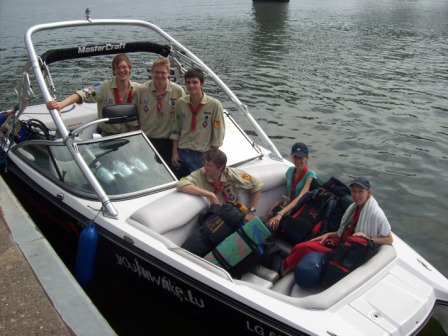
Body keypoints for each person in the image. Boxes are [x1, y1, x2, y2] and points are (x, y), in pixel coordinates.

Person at [281, 176, 393, 275]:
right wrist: (329, 234)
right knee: (304, 244)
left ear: (368, 192)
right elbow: (343, 231)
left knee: (303, 248)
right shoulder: (354, 208)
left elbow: (389, 239)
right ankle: (288, 270)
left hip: (345, 251)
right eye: (354, 191)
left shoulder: (375, 213)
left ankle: (284, 273)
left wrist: (366, 238)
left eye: (360, 192)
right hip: (341, 241)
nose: (356, 195)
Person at [46, 53, 140, 136]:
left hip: (131, 135)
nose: (121, 70)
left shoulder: (138, 89)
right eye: (118, 68)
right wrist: (60, 105)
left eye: (124, 67)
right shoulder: (103, 87)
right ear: (113, 71)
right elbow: (81, 94)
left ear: (130, 69)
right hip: (109, 135)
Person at [177, 149, 262, 223]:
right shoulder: (201, 173)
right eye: (205, 164)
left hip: (233, 214)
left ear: (220, 167)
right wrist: (211, 195)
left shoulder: (231, 174)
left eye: (209, 165)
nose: (205, 167)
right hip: (214, 218)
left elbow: (257, 185)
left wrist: (251, 212)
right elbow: (181, 184)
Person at [170, 68, 225, 176]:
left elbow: (218, 131)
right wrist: (174, 153)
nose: (191, 85)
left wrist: (212, 158)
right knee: (181, 184)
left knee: (200, 186)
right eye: (188, 82)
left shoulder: (214, 105)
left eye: (195, 82)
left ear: (202, 84)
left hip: (201, 155)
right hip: (182, 153)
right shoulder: (181, 103)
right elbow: (177, 127)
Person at [135, 57, 185, 170]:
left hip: (168, 141)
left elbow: (181, 120)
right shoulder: (141, 90)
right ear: (152, 72)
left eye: (163, 72)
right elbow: (135, 116)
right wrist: (136, 141)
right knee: (146, 171)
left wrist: (175, 150)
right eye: (156, 72)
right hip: (147, 140)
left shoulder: (178, 91)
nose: (160, 76)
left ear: (169, 73)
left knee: (168, 172)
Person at [267, 142, 317, 231]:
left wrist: (281, 213)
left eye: (300, 158)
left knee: (269, 225)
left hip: (297, 208)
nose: (297, 160)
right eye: (295, 157)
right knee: (265, 218)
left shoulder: (310, 174)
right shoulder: (290, 171)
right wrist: (280, 201)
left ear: (307, 158)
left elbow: (301, 196)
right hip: (287, 205)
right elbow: (290, 191)